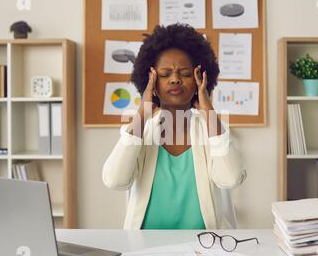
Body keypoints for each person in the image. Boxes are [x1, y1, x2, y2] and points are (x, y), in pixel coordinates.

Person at [102, 23, 247, 230]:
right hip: (144, 249)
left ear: (200, 80)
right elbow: (114, 180)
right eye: (165, 74)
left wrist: (209, 112)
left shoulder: (213, 129)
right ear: (150, 80)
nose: (175, 80)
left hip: (205, 249)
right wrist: (142, 112)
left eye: (186, 74)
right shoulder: (139, 129)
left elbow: (231, 179)